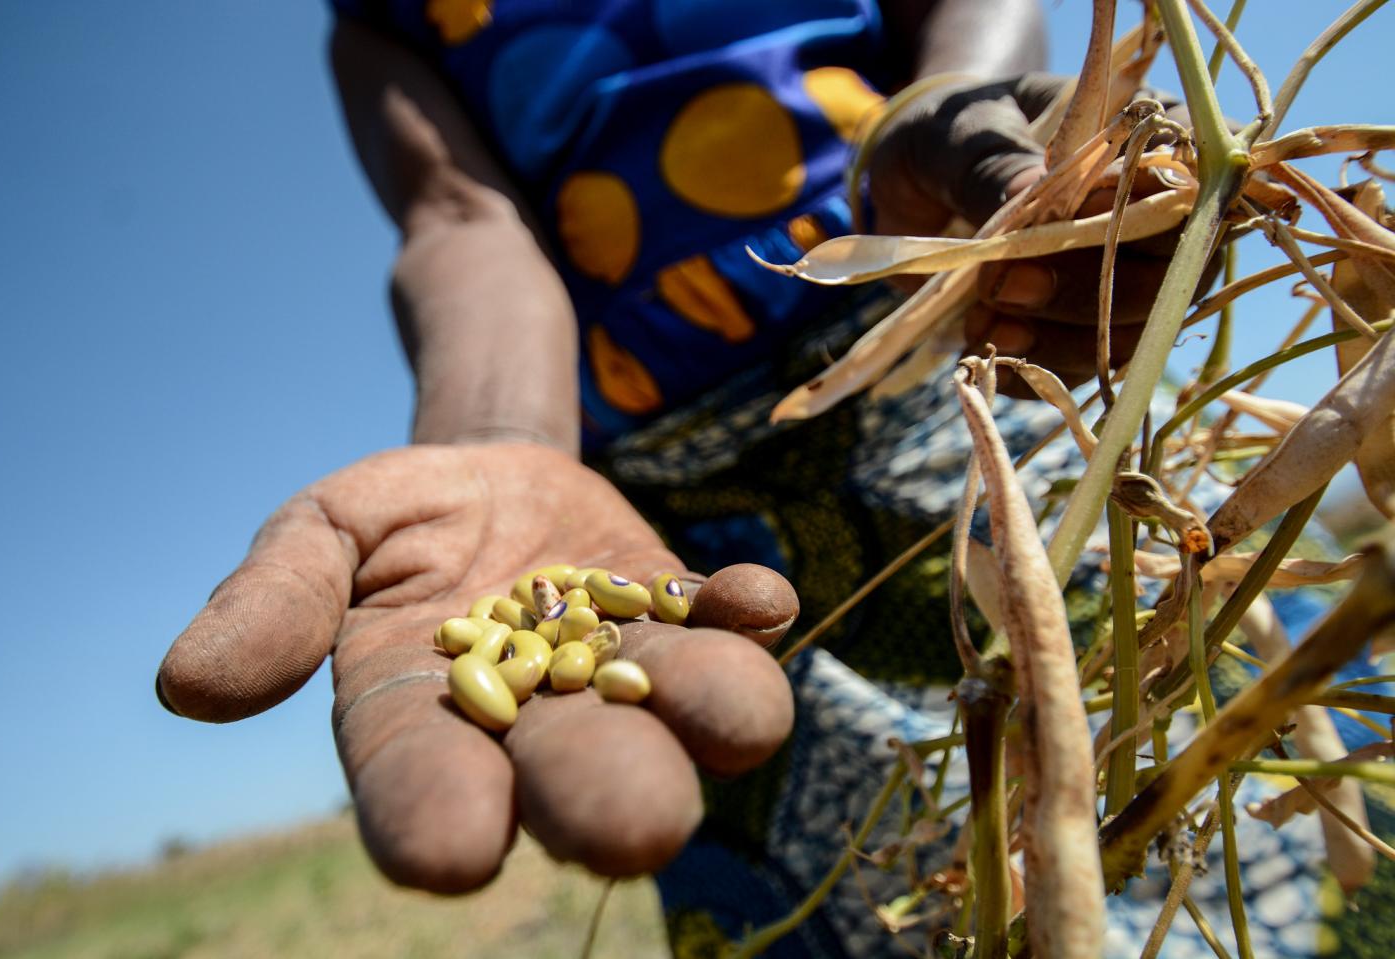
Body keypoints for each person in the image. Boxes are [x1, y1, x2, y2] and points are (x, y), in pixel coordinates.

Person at [156, 2, 1351, 956]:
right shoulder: (385, 21)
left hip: (918, 379)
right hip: (660, 510)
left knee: (1150, 757)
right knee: (860, 887)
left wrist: (936, 113)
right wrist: (502, 438)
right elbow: (465, 217)